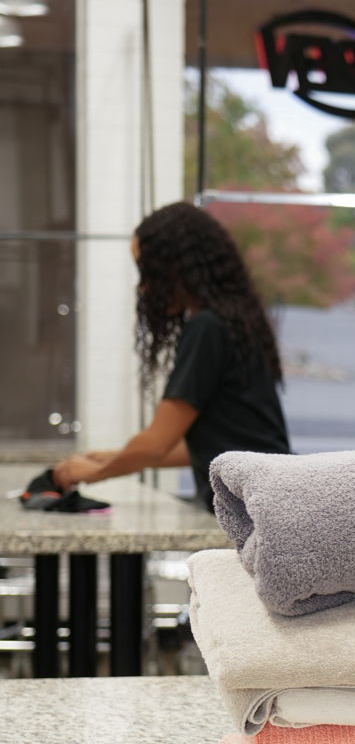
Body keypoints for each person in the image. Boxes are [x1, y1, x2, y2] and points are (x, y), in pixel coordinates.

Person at [53, 200, 290, 511]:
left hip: (255, 510)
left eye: (147, 271)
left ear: (177, 266)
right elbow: (210, 447)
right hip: (272, 500)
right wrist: (116, 457)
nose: (143, 287)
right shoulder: (234, 319)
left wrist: (95, 473)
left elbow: (156, 444)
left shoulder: (207, 328)